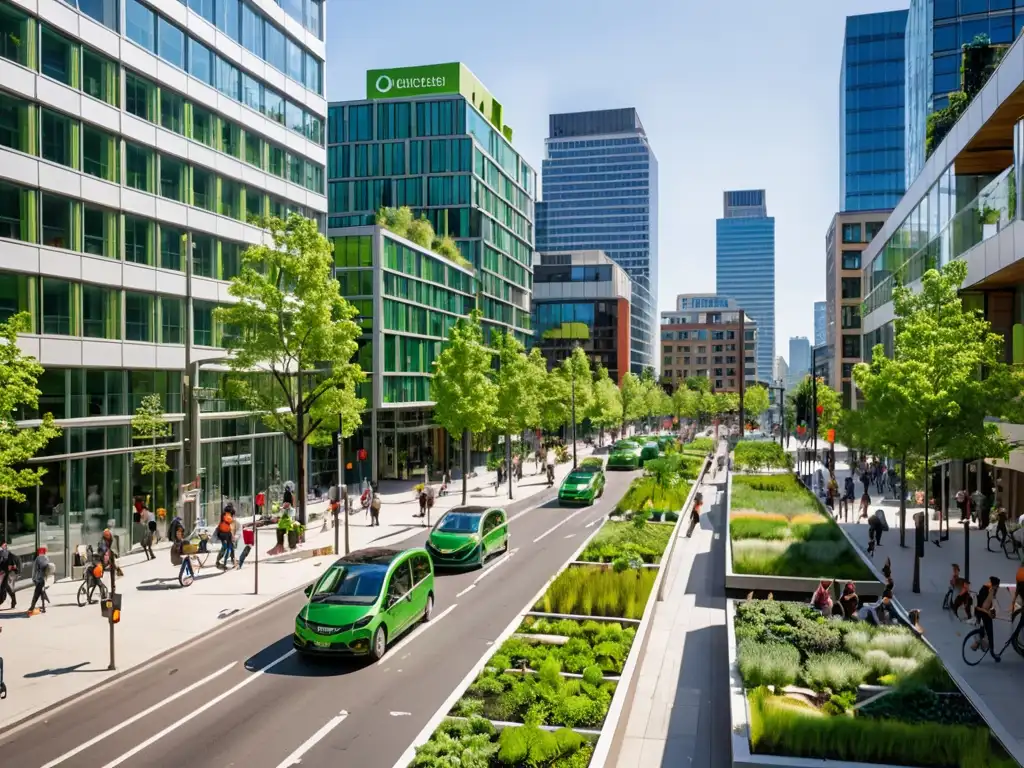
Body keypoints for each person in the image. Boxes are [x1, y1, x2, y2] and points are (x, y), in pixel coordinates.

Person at [972, 576, 1002, 661]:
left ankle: (978, 643)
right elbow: (982, 607)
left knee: (983, 630)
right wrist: (988, 612)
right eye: (997, 586)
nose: (998, 588)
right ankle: (991, 652)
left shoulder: (988, 589)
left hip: (981, 613)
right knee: (989, 633)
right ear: (994, 585)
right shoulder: (988, 590)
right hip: (981, 613)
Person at [27, 546, 51, 616]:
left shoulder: (38, 559)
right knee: (41, 592)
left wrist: (33, 578)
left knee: (36, 594)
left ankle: (32, 607)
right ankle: (43, 606)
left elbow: (34, 570)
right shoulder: (46, 558)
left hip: (38, 579)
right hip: (43, 578)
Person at [0, 541, 17, 610]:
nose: (6, 547)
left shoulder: (3, 552)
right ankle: (14, 600)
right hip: (5, 572)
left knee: (3, 587)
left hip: (3, 572)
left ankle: (3, 600)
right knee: (6, 586)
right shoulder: (6, 552)